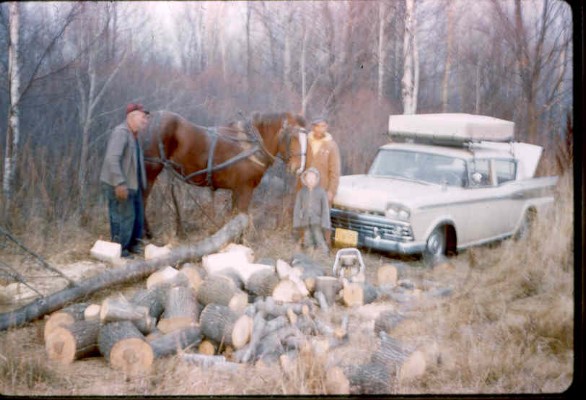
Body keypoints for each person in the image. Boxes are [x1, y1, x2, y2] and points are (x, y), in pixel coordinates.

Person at [100, 103, 150, 258]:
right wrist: (119, 183)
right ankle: (120, 250)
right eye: (143, 117)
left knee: (136, 217)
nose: (145, 121)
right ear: (132, 117)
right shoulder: (121, 133)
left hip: (132, 185)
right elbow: (112, 159)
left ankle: (133, 246)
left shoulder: (133, 135)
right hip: (119, 184)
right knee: (123, 217)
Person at [303, 116, 341, 244]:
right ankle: (306, 243)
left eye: (323, 126)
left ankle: (325, 245)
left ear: (327, 127)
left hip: (323, 189)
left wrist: (331, 191)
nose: (321, 129)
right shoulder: (306, 142)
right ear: (313, 127)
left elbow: (335, 171)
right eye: (318, 126)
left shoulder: (331, 145)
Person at [293, 167, 331, 255]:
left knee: (318, 237)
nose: (310, 180)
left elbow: (325, 209)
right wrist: (297, 223)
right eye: (308, 178)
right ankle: (310, 253)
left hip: (317, 221)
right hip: (305, 221)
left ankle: (324, 253)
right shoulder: (301, 192)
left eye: (312, 178)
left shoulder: (321, 192)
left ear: (316, 179)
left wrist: (325, 223)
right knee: (307, 238)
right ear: (304, 179)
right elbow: (297, 209)